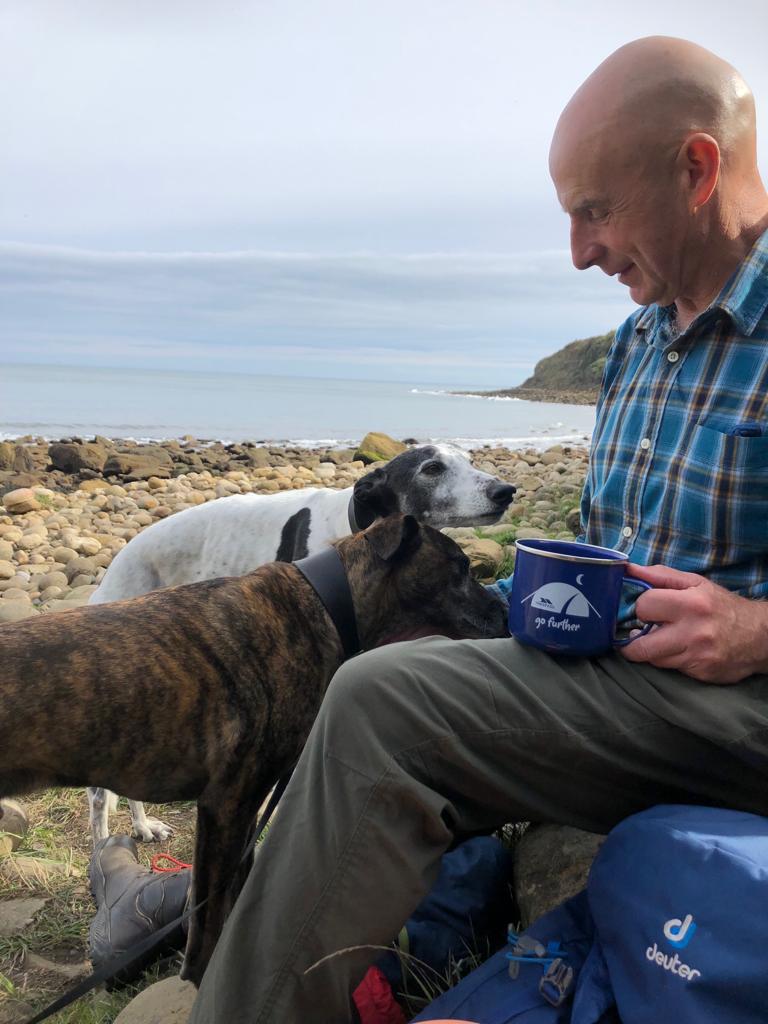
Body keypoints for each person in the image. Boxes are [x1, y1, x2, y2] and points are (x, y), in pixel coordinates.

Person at [189, 36, 768, 1022]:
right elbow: (608, 548)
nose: (579, 251)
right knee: (391, 658)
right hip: (624, 688)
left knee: (381, 704)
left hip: (739, 709)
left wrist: (755, 629)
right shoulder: (639, 341)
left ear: (697, 168)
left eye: (596, 211)